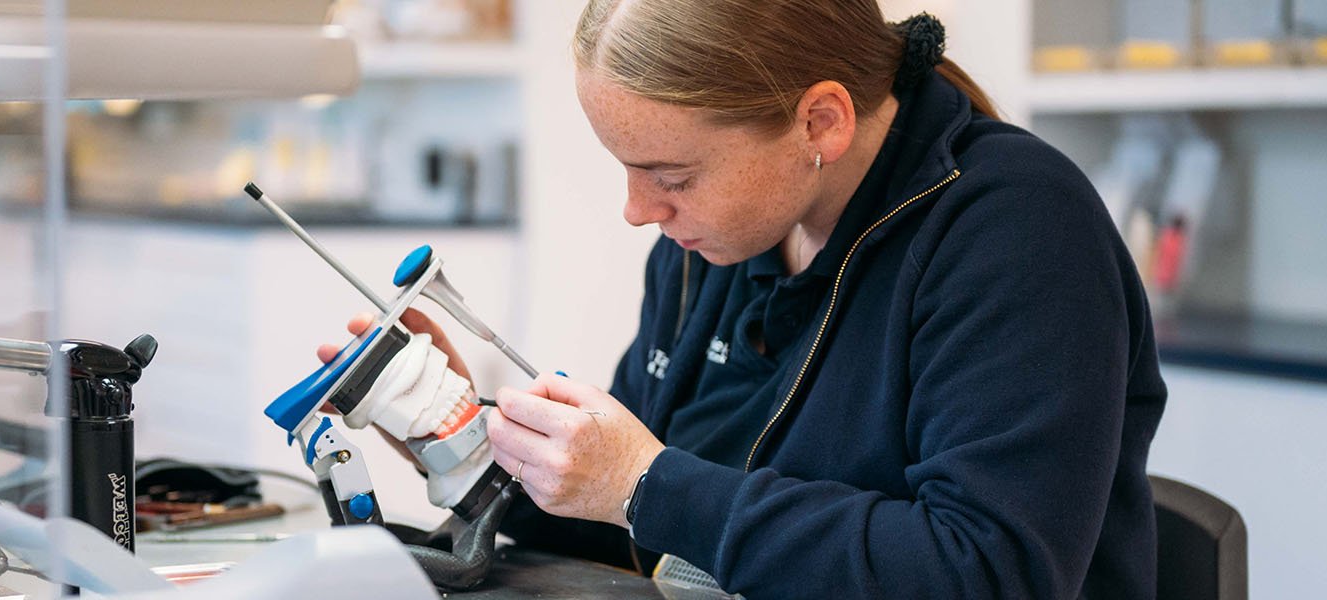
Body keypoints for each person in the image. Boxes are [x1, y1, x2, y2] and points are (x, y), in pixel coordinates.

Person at [320, 2, 1166, 597]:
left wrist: (644, 483)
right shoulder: (715, 245)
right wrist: (468, 444)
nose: (638, 211)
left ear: (821, 123)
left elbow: (987, 573)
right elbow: (636, 525)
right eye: (628, 170)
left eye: (672, 176)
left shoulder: (1017, 230)